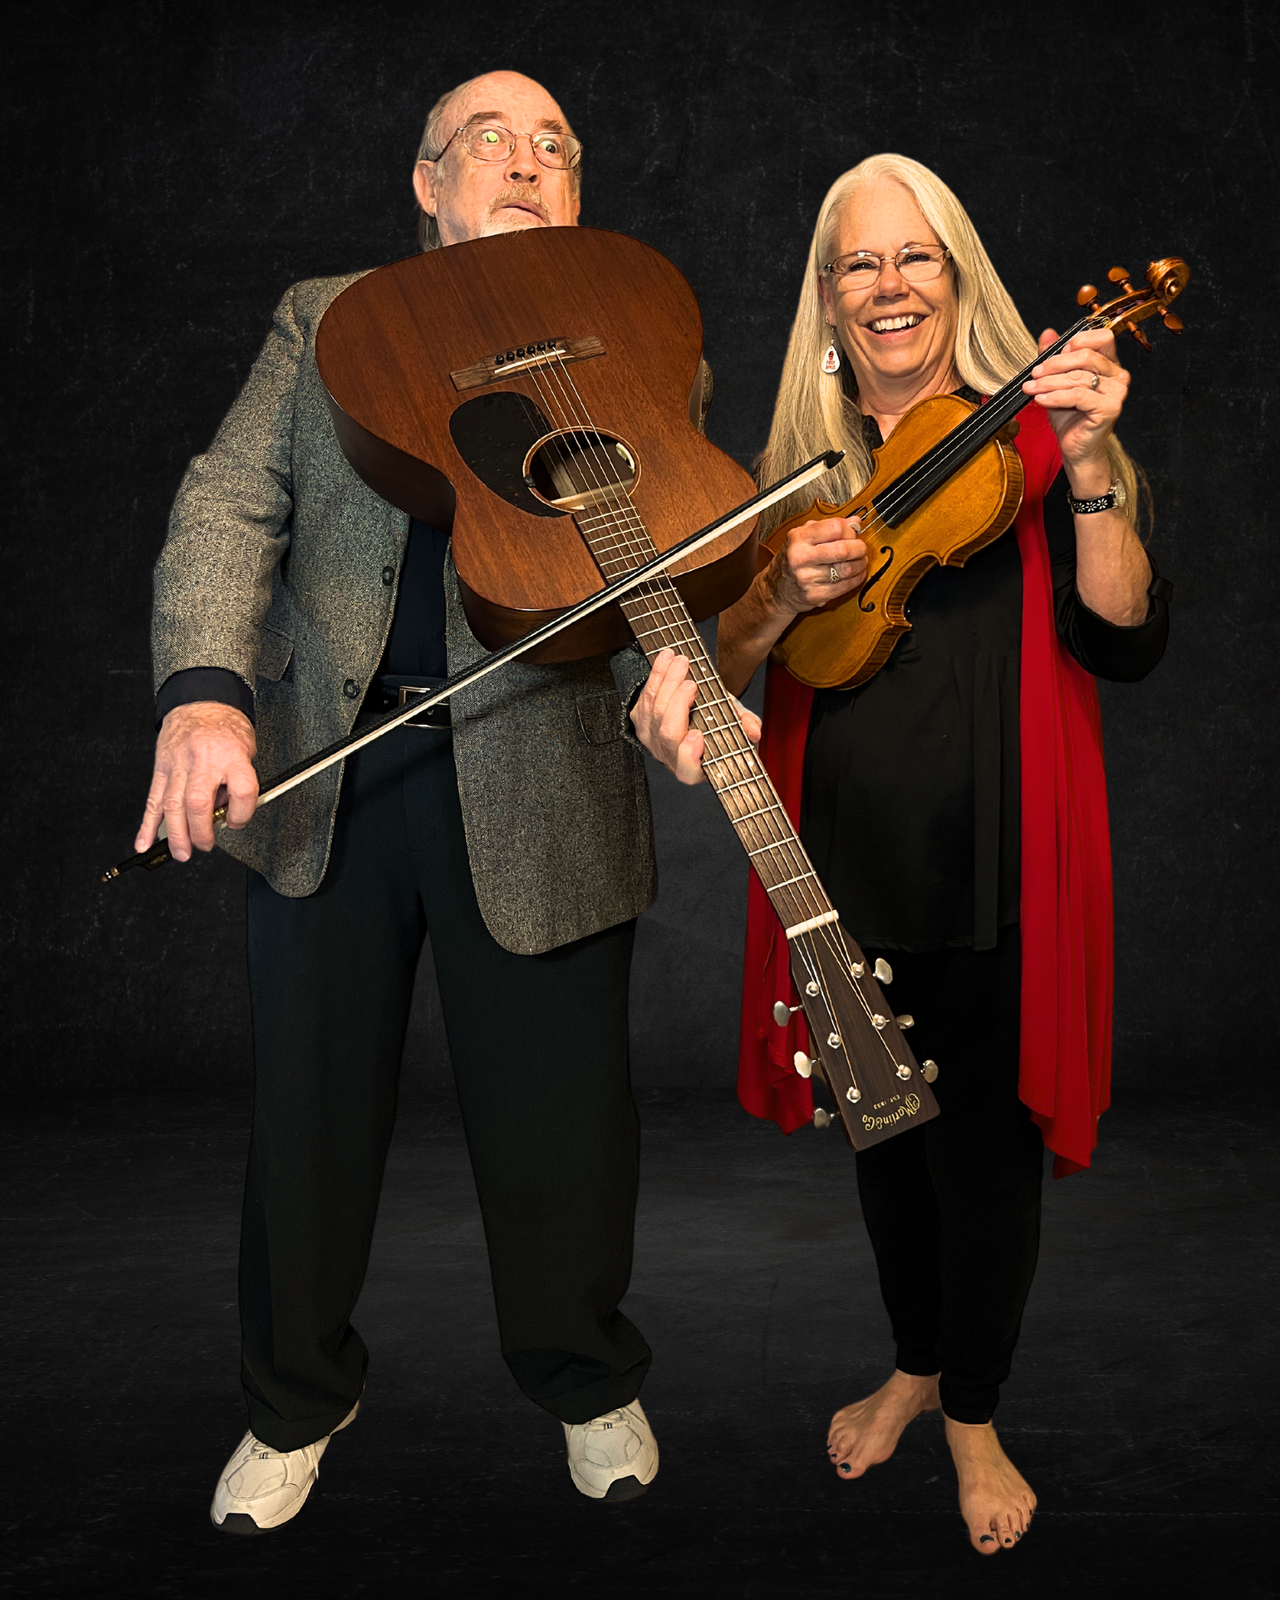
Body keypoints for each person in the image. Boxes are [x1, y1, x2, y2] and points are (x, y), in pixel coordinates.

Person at [137, 71, 669, 1534]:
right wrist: (205, 691)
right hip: (338, 771)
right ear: (428, 186)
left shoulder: (629, 332)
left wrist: (679, 669)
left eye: (554, 146)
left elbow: (663, 538)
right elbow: (229, 500)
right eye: (488, 142)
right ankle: (293, 1401)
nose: (525, 163)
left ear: (576, 190)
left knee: (563, 1122)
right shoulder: (326, 318)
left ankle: (585, 1377)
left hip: (543, 755)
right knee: (307, 1121)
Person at [632, 153, 1170, 1555]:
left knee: (982, 1155)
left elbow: (1126, 638)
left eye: (915, 256)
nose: (889, 286)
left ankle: (973, 1414)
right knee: (885, 1140)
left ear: (956, 274)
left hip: (997, 858)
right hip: (838, 863)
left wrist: (1093, 464)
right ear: (827, 297)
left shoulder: (1034, 439)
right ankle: (916, 1368)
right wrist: (771, 598)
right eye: (859, 263)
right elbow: (726, 670)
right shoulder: (794, 484)